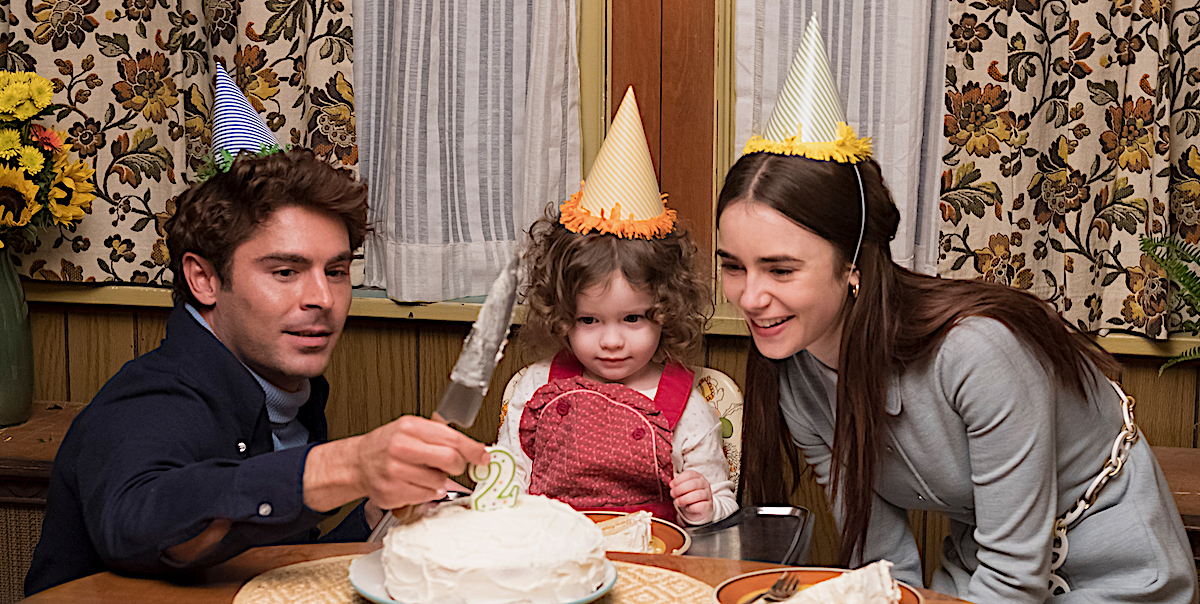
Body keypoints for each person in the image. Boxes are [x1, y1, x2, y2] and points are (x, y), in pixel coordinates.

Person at [24, 115, 489, 593]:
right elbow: (136, 523)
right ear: (203, 279)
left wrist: (379, 513)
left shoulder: (287, 389)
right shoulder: (154, 398)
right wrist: (346, 465)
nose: (323, 299)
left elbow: (265, 572)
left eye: (336, 271)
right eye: (286, 272)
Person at [717, 147, 1198, 604]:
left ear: (854, 266)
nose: (750, 297)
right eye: (733, 267)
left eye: (780, 270)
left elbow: (1013, 574)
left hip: (1116, 575)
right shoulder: (794, 374)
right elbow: (882, 559)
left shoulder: (977, 352)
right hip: (982, 572)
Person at [494, 87, 736, 526]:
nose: (610, 340)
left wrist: (705, 504)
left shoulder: (688, 406)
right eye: (588, 320)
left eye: (633, 318)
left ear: (666, 310)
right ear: (562, 314)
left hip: (652, 564)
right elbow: (506, 488)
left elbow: (722, 502)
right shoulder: (535, 389)